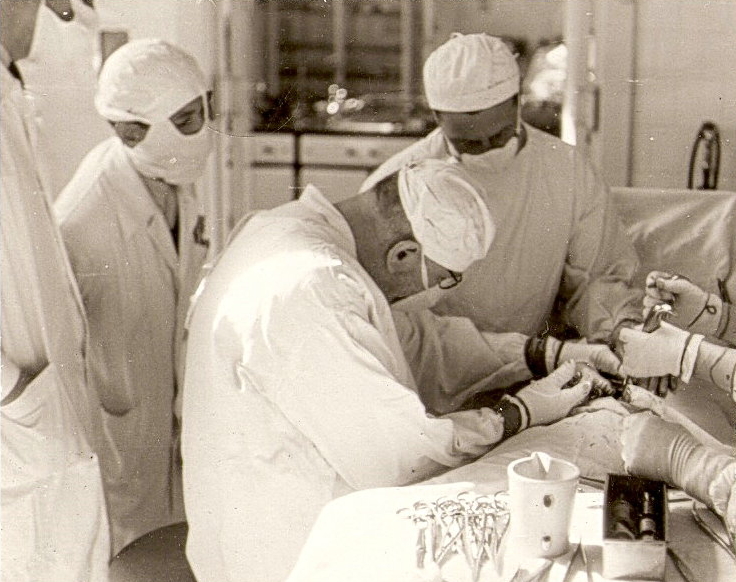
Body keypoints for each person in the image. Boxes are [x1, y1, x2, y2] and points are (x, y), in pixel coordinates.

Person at [181, 159, 608, 581]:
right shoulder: (313, 285)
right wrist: (514, 414)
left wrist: (541, 354)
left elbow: (415, 340)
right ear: (404, 254)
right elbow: (399, 457)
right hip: (286, 556)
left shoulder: (290, 232)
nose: (438, 295)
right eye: (444, 280)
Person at [363, 33, 642, 365]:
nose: (486, 151)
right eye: (468, 143)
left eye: (498, 137)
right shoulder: (398, 184)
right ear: (438, 117)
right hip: (435, 369)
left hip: (535, 364)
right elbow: (386, 312)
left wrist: (621, 330)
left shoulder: (566, 171)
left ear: (517, 104)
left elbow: (596, 279)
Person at [54, 38, 213, 554]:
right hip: (120, 442)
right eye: (185, 121)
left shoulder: (171, 175)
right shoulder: (83, 221)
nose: (203, 131)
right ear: (131, 131)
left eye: (201, 112)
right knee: (126, 560)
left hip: (173, 427)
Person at [1, 1, 109, 580]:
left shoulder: (11, 91)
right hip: (19, 426)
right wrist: (12, 392)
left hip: (40, 421)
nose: (75, 13)